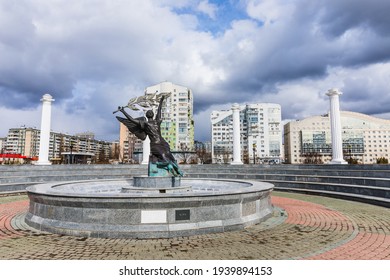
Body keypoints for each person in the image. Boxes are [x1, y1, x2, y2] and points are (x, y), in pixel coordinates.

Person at [115, 95, 183, 177]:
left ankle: (176, 169)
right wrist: (123, 111)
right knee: (163, 156)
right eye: (149, 112)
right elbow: (131, 120)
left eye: (151, 112)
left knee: (169, 154)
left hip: (163, 142)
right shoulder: (145, 124)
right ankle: (169, 167)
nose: (150, 112)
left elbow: (159, 111)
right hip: (155, 144)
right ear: (148, 116)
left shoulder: (157, 121)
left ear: (152, 115)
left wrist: (161, 100)